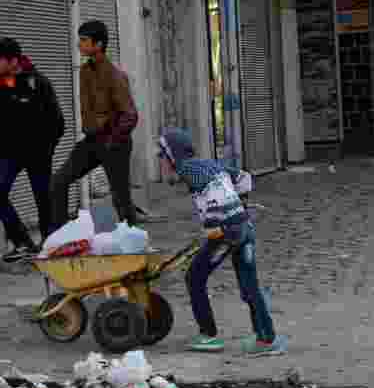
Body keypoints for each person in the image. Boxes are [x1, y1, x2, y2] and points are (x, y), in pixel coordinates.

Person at [157, 127, 285, 356]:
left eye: (161, 155)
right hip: (244, 228)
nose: (159, 161)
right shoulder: (209, 164)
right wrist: (240, 204)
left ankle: (209, 335)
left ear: (172, 156)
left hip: (227, 233)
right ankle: (267, 339)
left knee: (194, 276)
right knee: (250, 286)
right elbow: (244, 178)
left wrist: (215, 222)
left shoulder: (189, 169)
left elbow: (211, 192)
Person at [50, 20, 139, 235]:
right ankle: (61, 238)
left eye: (83, 40)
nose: (79, 45)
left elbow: (130, 115)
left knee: (121, 199)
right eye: (79, 40)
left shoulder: (114, 75)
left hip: (115, 143)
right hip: (92, 141)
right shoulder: (84, 71)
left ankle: (135, 243)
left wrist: (111, 140)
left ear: (98, 44)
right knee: (58, 182)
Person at [0, 38, 65, 262]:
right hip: (9, 153)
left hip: (38, 153)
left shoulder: (38, 83)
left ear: (12, 60)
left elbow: (58, 123)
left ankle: (48, 244)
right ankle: (22, 242)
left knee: (43, 199)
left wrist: (46, 149)